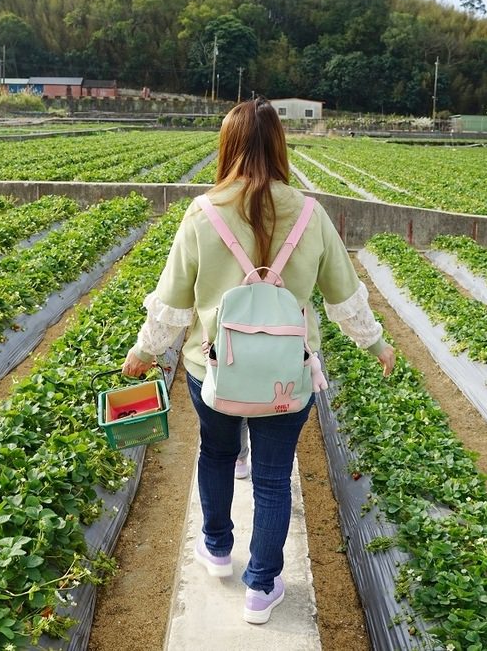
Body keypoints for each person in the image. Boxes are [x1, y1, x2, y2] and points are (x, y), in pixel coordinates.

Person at [122, 96, 394, 625]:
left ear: (227, 146)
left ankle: (218, 548)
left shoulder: (203, 214)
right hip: (286, 379)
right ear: (279, 146)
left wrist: (143, 352)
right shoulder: (311, 214)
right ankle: (261, 588)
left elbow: (173, 302)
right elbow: (345, 299)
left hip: (212, 372)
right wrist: (376, 345)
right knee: (273, 477)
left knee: (217, 456)